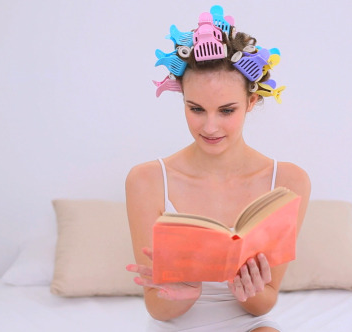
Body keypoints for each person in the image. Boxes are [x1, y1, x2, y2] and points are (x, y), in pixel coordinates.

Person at [125, 5, 310, 331]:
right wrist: (183, 292)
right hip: (176, 323)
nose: (210, 127)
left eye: (226, 110)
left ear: (251, 103)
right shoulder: (148, 180)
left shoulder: (288, 180)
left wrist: (248, 290)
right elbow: (157, 307)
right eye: (196, 109)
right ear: (182, 98)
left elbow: (264, 304)